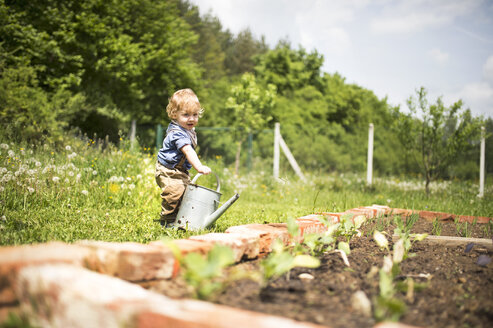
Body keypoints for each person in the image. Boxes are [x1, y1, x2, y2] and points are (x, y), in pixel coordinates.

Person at [155, 88, 211, 226]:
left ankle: (180, 220)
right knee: (174, 193)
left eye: (195, 114)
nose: (191, 118)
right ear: (174, 114)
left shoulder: (188, 129)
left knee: (186, 195)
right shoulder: (177, 133)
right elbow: (187, 150)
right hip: (169, 171)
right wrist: (199, 166)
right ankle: (167, 222)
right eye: (186, 115)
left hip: (180, 171)